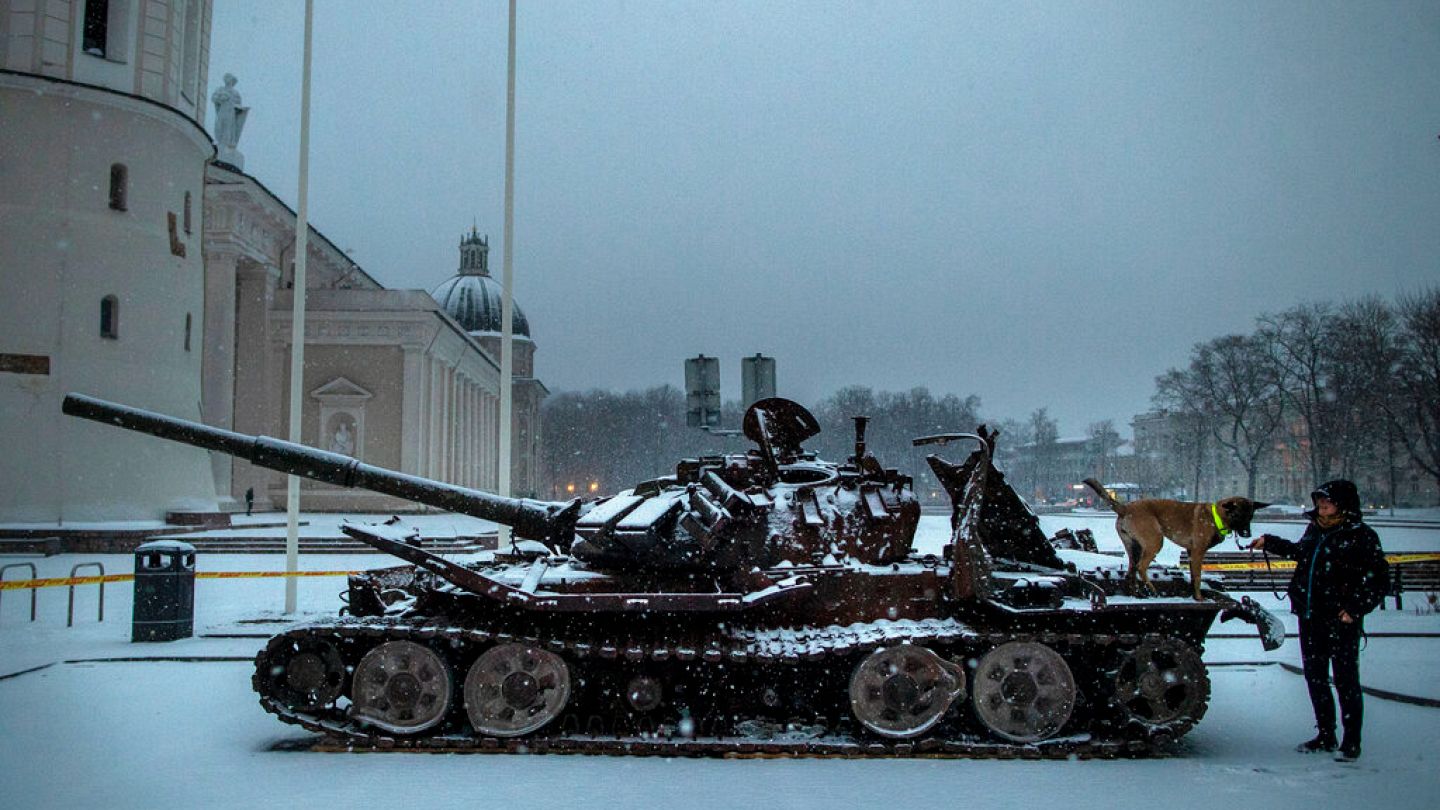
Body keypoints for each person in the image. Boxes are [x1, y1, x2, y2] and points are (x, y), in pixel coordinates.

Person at [1247, 480, 1389, 762]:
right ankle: (1326, 734)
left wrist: (1354, 608)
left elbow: (1377, 579)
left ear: (1344, 505)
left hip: (1340, 620)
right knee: (1316, 678)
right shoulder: (1316, 529)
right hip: (1310, 615)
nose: (1321, 507)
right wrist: (1270, 542)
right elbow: (1302, 553)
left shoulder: (1361, 536)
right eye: (1319, 502)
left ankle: (1351, 741)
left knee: (1346, 680)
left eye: (1327, 502)